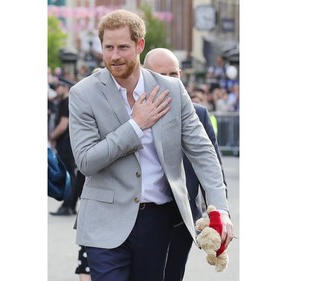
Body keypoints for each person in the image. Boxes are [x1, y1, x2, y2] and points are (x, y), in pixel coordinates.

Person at [68, 9, 234, 281]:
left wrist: (221, 209)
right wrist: (135, 126)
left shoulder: (171, 90)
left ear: (139, 45)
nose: (114, 55)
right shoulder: (83, 94)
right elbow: (86, 161)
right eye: (108, 47)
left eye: (123, 47)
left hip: (158, 221)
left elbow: (202, 151)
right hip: (104, 221)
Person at [143, 47, 227, 281]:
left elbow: (213, 168)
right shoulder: (136, 112)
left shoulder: (198, 113)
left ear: (181, 74)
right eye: (161, 75)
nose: (169, 81)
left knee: (172, 276)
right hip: (141, 216)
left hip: (182, 218)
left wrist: (220, 214)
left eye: (173, 74)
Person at [49, 82, 85, 216]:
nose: (56, 89)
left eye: (58, 86)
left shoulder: (67, 101)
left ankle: (68, 205)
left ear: (65, 88)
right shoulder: (65, 101)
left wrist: (52, 136)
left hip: (66, 143)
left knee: (69, 174)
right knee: (71, 173)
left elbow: (64, 124)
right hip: (67, 143)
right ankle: (69, 205)